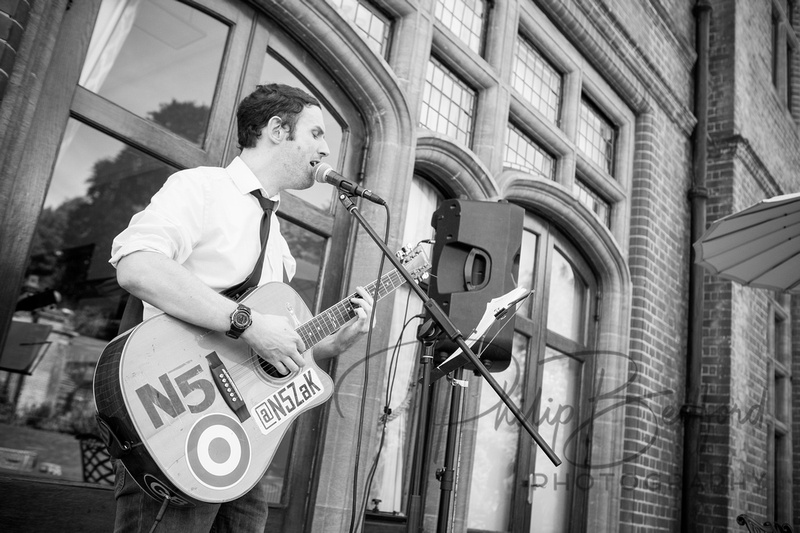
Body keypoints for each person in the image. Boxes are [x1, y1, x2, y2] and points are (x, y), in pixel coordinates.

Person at [108, 83, 375, 532]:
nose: (326, 148)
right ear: (276, 129)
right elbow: (138, 268)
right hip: (178, 418)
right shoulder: (200, 188)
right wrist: (245, 321)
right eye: (315, 133)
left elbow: (262, 352)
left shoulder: (280, 243)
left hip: (244, 438)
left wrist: (326, 347)